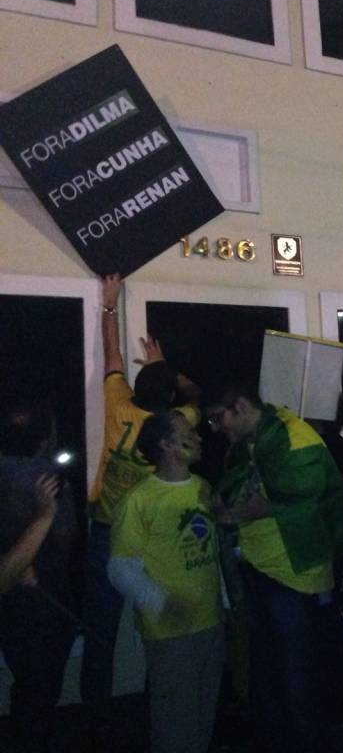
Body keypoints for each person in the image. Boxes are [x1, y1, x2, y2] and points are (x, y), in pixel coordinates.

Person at [81, 273, 201, 735]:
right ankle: (159, 712)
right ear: (168, 399)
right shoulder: (176, 425)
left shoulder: (119, 406)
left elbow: (111, 354)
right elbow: (196, 395)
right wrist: (167, 367)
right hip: (151, 539)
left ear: (136, 387)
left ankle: (94, 724)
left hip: (107, 535)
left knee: (100, 633)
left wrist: (109, 304)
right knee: (159, 628)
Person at [205, 384, 343, 753]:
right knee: (269, 677)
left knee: (297, 680)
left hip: (294, 574)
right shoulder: (249, 443)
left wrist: (262, 510)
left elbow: (324, 495)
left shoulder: (293, 436)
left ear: (240, 405)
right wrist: (227, 505)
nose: (215, 427)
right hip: (259, 567)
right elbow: (244, 486)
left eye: (218, 417)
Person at [107, 411, 223, 753]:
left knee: (203, 718)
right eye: (189, 433)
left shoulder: (203, 487)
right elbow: (120, 568)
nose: (198, 437)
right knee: (174, 724)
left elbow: (213, 553)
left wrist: (226, 604)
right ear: (167, 445)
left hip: (211, 622)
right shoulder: (139, 500)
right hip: (170, 632)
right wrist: (164, 605)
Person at [0, 399, 78, 753]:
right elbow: (65, 537)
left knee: (26, 685)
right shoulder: (48, 479)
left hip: (15, 607)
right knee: (39, 692)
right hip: (43, 603)